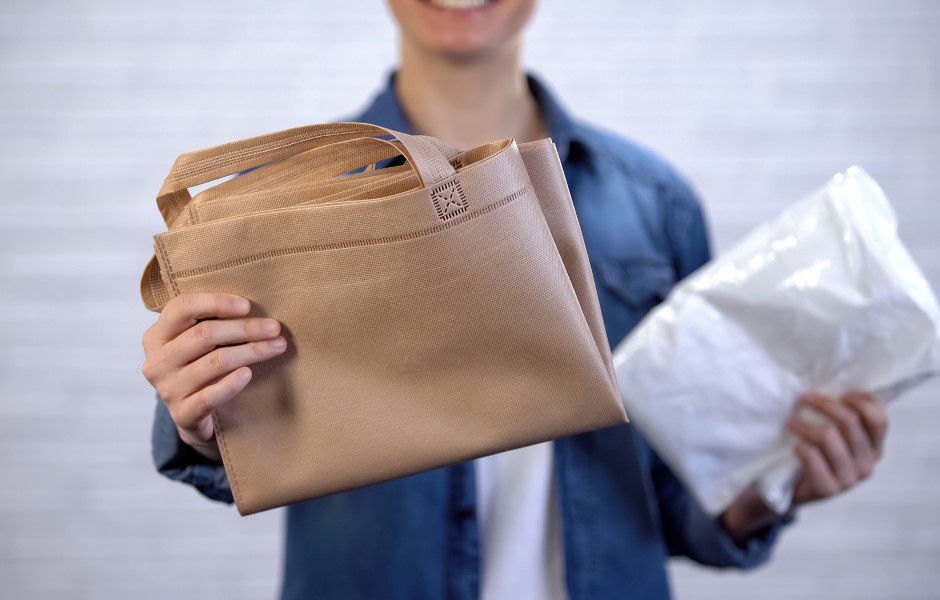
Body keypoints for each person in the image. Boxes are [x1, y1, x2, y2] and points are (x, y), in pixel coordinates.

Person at [141, 1, 890, 598]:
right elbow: (249, 452)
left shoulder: (654, 203)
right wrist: (210, 422)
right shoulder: (274, 213)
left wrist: (771, 488)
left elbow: (672, 500)